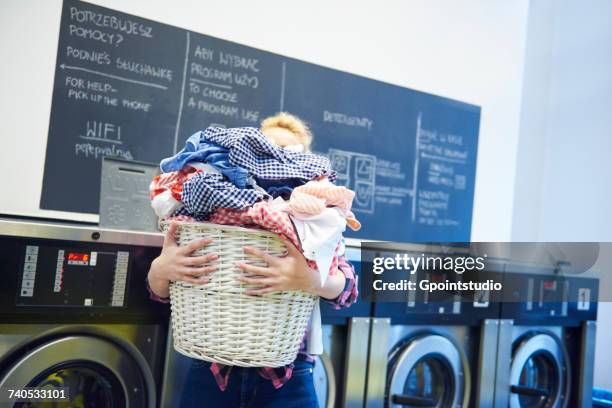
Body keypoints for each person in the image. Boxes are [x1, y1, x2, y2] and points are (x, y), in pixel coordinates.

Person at [147, 113, 357, 407]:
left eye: (288, 155)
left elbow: (348, 291)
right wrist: (160, 270)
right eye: (267, 150)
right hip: (211, 371)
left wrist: (308, 279)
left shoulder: (319, 224)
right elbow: (161, 295)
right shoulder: (206, 221)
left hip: (289, 378)